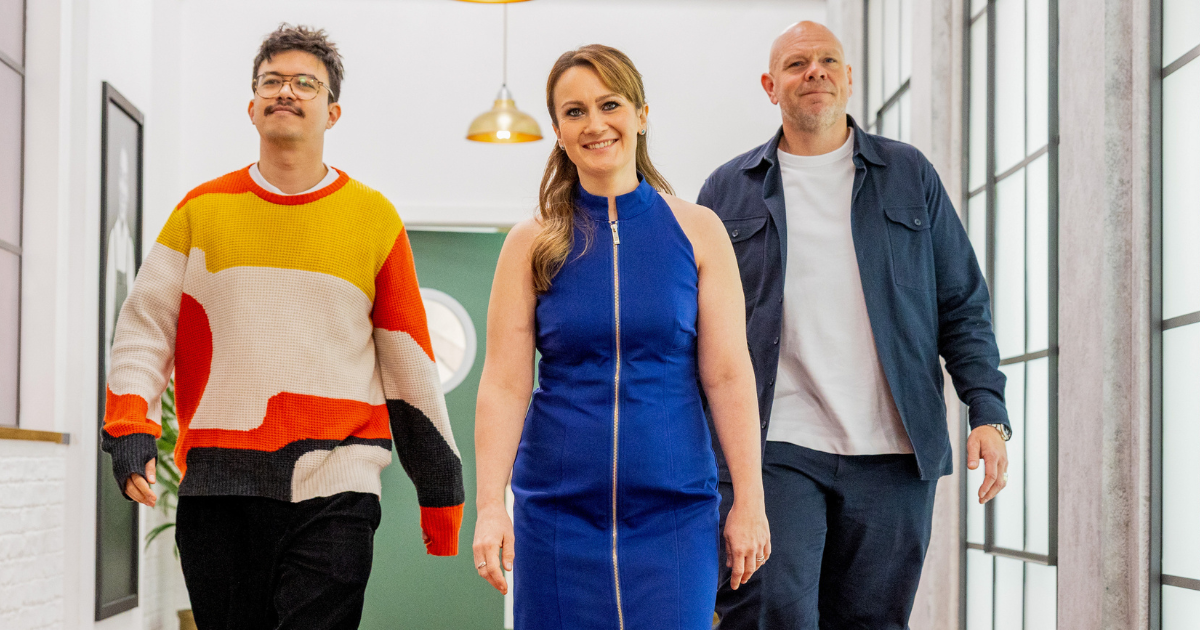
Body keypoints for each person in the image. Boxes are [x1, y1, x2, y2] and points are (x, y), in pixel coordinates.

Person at [100, 24, 464, 629]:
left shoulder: (373, 219)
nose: (286, 92)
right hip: (219, 482)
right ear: (252, 106)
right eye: (272, 81)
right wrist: (128, 425)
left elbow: (409, 362)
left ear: (332, 110)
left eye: (305, 83)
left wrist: (440, 490)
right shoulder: (199, 212)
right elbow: (144, 329)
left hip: (338, 478)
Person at [699, 21, 1011, 629]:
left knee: (872, 621)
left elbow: (962, 301)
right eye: (795, 64)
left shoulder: (908, 175)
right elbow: (698, 330)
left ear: (847, 78)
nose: (813, 72)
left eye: (826, 61)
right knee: (768, 614)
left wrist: (988, 411)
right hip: (773, 446)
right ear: (770, 85)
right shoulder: (727, 190)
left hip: (894, 453)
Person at [472, 45, 770, 630]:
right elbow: (505, 385)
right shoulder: (530, 242)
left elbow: (729, 375)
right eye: (575, 112)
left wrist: (751, 501)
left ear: (640, 113)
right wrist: (489, 506)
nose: (595, 124)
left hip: (675, 511)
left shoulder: (698, 230)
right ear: (557, 130)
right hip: (557, 514)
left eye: (609, 104)